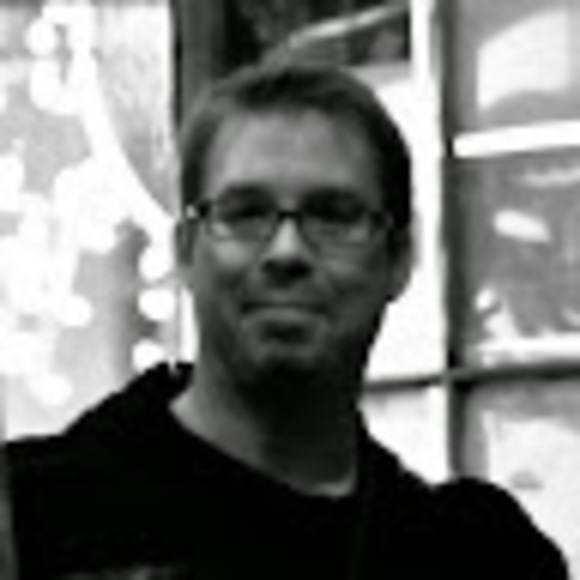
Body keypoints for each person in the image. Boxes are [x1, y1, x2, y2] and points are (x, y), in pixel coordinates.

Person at [7, 62, 568, 580]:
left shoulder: (479, 560)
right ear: (186, 250)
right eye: (246, 213)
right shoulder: (28, 520)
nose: (286, 252)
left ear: (398, 259)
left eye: (333, 215)